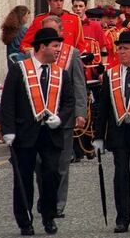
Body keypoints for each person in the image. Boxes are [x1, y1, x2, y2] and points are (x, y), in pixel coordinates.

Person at [0, 27, 74, 236]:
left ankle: (49, 215)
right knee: (23, 178)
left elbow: (69, 101)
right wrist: (8, 130)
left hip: (50, 133)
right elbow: (8, 102)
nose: (58, 50)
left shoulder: (61, 73)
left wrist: (60, 117)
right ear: (42, 47)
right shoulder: (19, 69)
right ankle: (25, 220)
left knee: (51, 174)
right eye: (55, 46)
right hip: (24, 133)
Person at [93, 31, 130, 233]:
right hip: (119, 132)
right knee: (121, 176)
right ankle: (122, 219)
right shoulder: (111, 74)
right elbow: (103, 107)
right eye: (120, 48)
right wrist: (98, 135)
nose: (121, 51)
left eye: (125, 48)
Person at [36, 16, 87, 219]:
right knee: (40, 163)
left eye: (53, 32)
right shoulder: (34, 55)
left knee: (61, 164)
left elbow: (79, 84)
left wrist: (80, 112)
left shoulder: (71, 54)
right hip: (39, 118)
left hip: (64, 117)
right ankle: (45, 198)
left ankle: (58, 203)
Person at [19, 0, 85, 53]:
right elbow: (25, 44)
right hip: (45, 59)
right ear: (49, 2)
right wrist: (37, 53)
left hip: (67, 59)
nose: (59, 4)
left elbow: (80, 44)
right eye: (55, 1)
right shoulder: (39, 19)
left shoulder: (74, 19)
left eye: (61, 0)